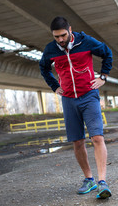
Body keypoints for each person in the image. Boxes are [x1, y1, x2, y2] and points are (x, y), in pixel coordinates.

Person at [39, 16, 113, 199]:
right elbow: (44, 68)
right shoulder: (50, 49)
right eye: (56, 37)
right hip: (69, 99)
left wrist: (103, 77)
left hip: (89, 94)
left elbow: (107, 53)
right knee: (77, 141)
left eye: (63, 35)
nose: (60, 40)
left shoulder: (85, 41)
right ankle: (89, 179)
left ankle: (102, 182)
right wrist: (54, 86)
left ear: (70, 30)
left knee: (97, 137)